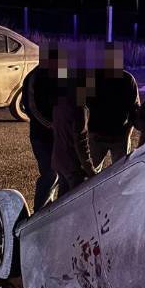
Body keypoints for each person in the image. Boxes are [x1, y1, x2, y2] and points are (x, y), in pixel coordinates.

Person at [23, 47, 64, 212]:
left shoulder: (61, 75)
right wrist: (50, 125)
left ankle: (52, 209)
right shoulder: (33, 78)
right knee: (50, 173)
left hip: (60, 135)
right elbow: (31, 108)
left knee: (62, 173)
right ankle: (40, 211)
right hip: (41, 137)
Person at [87, 44, 141, 167]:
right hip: (101, 135)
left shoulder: (127, 80)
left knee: (94, 175)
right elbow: (135, 109)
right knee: (116, 176)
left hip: (114, 136)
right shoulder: (127, 79)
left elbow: (134, 109)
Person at [50, 68, 99, 198]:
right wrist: (90, 170)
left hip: (59, 158)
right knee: (76, 200)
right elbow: (81, 141)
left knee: (62, 199)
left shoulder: (60, 102)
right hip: (72, 164)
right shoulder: (79, 108)